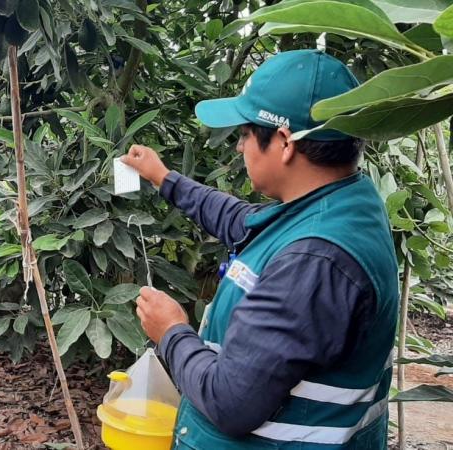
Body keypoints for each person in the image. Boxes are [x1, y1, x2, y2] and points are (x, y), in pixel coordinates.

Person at [122, 49, 398, 449]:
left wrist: (171, 331)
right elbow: (243, 221)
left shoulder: (314, 261)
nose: (240, 148)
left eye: (245, 135)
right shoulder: (340, 204)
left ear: (284, 142)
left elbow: (230, 402)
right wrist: (163, 177)